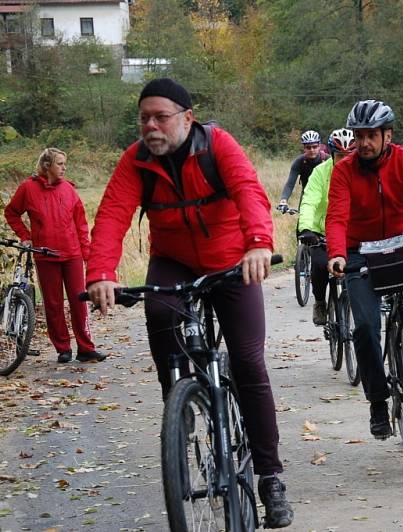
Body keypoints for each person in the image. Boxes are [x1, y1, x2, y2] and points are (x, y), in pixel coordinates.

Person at [84, 78, 293, 527]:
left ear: (187, 117)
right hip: (174, 261)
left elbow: (249, 192)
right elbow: (113, 215)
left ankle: (270, 477)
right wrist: (100, 273)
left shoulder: (217, 145)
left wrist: (258, 243)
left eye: (161, 117)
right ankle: (178, 402)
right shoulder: (136, 161)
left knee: (249, 363)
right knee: (158, 312)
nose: (151, 126)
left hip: (232, 262)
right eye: (144, 118)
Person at [326, 99, 403, 440]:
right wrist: (336, 254)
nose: (363, 143)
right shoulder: (344, 170)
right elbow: (337, 215)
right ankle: (378, 401)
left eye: (371, 135)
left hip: (402, 238)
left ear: (387, 135)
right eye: (359, 136)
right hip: (359, 251)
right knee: (365, 329)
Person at [4, 148, 103, 364]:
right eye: (60, 163)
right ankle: (63, 348)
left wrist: (86, 252)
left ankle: (86, 348)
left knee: (79, 302)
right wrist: (25, 236)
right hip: (45, 255)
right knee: (53, 304)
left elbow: (81, 224)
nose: (64, 167)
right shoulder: (28, 189)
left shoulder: (69, 189)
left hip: (72, 254)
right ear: (47, 165)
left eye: (65, 163)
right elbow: (11, 212)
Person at [297, 128, 356, 326]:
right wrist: (306, 228)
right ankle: (320, 302)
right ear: (331, 154)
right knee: (321, 265)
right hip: (323, 231)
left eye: (349, 155)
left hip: (353, 232)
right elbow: (310, 201)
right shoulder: (321, 172)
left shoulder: (362, 171)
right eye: (340, 156)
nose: (345, 160)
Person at [277, 130, 330, 211]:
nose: (312, 150)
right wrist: (283, 201)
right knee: (302, 222)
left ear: (319, 146)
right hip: (307, 196)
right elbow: (290, 184)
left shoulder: (328, 159)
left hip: (326, 197)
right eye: (308, 147)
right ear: (304, 148)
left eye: (314, 146)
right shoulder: (299, 162)